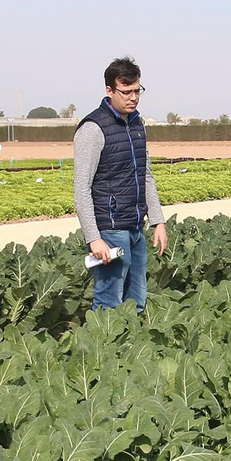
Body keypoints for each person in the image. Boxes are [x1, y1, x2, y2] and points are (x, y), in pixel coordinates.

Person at [73, 56, 167, 310]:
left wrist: (157, 220)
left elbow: (145, 175)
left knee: (137, 300)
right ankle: (103, 349)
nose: (133, 97)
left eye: (137, 91)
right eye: (126, 92)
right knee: (109, 301)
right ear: (109, 90)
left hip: (136, 226)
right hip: (110, 229)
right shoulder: (93, 128)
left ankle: (131, 348)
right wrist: (94, 238)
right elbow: (81, 188)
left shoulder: (137, 124)